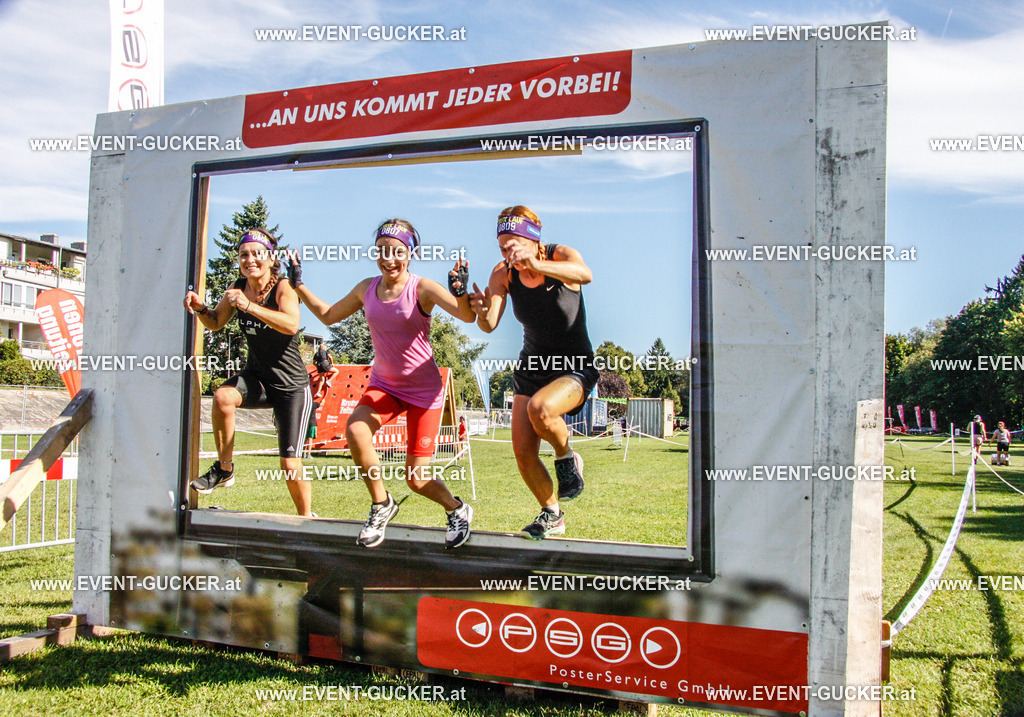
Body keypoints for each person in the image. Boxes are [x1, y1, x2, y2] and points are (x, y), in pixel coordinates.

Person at [287, 218, 475, 549]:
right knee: (356, 430)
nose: (389, 259)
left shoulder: (423, 289)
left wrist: (459, 291)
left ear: (410, 254)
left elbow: (467, 316)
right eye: (383, 251)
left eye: (398, 252)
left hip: (424, 393)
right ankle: (381, 503)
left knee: (417, 479)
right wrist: (298, 284)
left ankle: (457, 509)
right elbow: (330, 316)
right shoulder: (366, 288)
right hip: (385, 385)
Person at [469, 206, 598, 540]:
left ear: (533, 239)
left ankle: (567, 458)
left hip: (573, 365)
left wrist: (538, 265)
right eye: (502, 247)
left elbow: (585, 274)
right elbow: (488, 324)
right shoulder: (504, 273)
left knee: (541, 409)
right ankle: (552, 513)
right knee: (523, 452)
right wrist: (480, 310)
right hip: (532, 366)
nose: (508, 252)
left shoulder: (560, 255)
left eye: (514, 244)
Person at [183, 228, 314, 516]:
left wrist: (250, 307)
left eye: (257, 254)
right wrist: (200, 308)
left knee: (290, 464)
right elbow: (216, 322)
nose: (250, 259)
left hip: (291, 386)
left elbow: (291, 324)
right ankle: (225, 469)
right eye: (244, 254)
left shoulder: (283, 288)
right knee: (223, 397)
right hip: (258, 378)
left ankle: (306, 519)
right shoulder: (238, 287)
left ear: (270, 258)